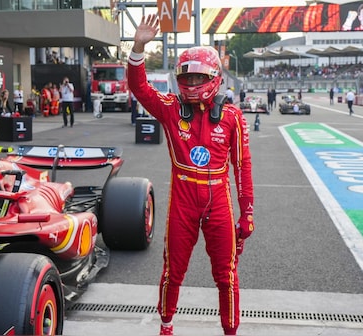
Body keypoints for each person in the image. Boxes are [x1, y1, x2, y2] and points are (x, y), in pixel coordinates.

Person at [128, 14, 254, 336]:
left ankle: (230, 330)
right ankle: (166, 327)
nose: (193, 84)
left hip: (218, 202)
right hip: (183, 201)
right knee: (173, 271)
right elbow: (139, 88)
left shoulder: (232, 117)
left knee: (226, 274)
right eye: (188, 78)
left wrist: (247, 212)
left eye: (200, 78)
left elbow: (242, 167)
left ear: (214, 78)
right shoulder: (170, 108)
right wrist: (139, 46)